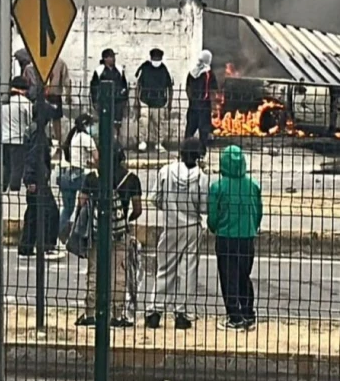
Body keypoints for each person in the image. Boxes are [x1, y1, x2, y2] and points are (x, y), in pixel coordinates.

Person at [76, 144, 143, 328]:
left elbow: (82, 202)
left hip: (97, 231)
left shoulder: (92, 177)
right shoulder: (131, 179)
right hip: (120, 233)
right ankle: (117, 314)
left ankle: (90, 313)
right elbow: (138, 209)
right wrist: (124, 219)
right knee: (119, 273)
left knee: (94, 271)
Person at [146, 137, 209, 330]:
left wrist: (168, 207)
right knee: (188, 270)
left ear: (180, 153)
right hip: (191, 227)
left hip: (171, 225)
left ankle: (155, 311)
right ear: (198, 156)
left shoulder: (166, 171)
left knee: (165, 268)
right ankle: (183, 314)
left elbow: (154, 198)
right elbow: (204, 207)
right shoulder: (201, 177)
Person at [208, 145, 263, 331]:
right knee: (244, 276)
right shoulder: (253, 185)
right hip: (247, 237)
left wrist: (214, 227)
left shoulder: (217, 187)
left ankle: (234, 317)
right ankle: (248, 314)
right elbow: (259, 212)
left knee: (228, 277)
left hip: (226, 237)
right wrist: (252, 227)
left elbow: (213, 216)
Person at [19, 106, 64, 261]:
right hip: (37, 179)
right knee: (50, 212)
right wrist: (31, 179)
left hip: (35, 177)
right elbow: (33, 157)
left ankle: (26, 247)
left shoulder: (32, 129)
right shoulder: (37, 133)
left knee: (33, 213)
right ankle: (47, 247)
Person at [58, 113, 98, 236]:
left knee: (67, 209)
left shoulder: (73, 136)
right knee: (88, 203)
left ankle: (58, 235)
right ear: (86, 125)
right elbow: (97, 158)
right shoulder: (86, 138)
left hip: (66, 174)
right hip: (79, 175)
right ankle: (81, 234)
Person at [135, 48, 173, 153]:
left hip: (160, 101)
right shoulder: (145, 68)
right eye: (155, 58)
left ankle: (158, 143)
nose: (156, 60)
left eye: (158, 58)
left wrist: (170, 102)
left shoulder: (164, 70)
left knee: (159, 124)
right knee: (143, 122)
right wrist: (136, 100)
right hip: (145, 100)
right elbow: (138, 85)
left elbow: (170, 87)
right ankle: (142, 142)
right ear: (151, 58)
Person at [1, 76, 32, 192]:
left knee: (5, 166)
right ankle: (14, 189)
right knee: (17, 168)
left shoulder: (4, 101)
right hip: (18, 140)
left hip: (3, 139)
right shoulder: (24, 102)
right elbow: (30, 121)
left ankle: (2, 187)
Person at [90, 48, 129, 138]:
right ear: (105, 58)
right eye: (111, 57)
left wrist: (124, 98)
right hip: (104, 101)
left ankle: (115, 139)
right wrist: (95, 101)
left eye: (113, 56)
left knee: (117, 123)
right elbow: (94, 87)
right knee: (105, 122)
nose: (113, 59)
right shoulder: (99, 70)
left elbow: (124, 85)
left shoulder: (119, 69)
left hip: (118, 101)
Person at [185, 50, 218, 151]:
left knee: (190, 129)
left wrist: (192, 100)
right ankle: (201, 152)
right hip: (204, 107)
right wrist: (214, 107)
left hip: (193, 106)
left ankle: (186, 150)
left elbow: (188, 88)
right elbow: (212, 91)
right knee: (203, 132)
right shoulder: (209, 74)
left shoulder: (192, 73)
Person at [44, 58, 71, 146]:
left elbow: (66, 80)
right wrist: (68, 94)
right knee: (55, 119)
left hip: (51, 94)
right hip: (50, 94)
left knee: (55, 119)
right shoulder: (59, 62)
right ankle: (56, 142)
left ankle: (57, 142)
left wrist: (68, 94)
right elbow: (66, 80)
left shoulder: (59, 62)